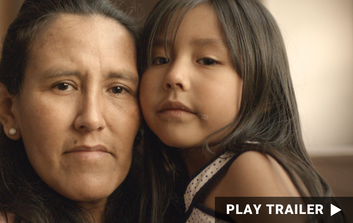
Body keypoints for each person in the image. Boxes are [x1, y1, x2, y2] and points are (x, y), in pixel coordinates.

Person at [137, 0, 346, 222]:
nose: (174, 76)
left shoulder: (250, 168)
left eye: (208, 60)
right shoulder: (179, 182)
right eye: (160, 59)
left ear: (263, 92)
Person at [0, 0, 155, 222]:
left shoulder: (179, 206)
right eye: (63, 86)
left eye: (118, 89)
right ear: (8, 109)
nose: (92, 118)